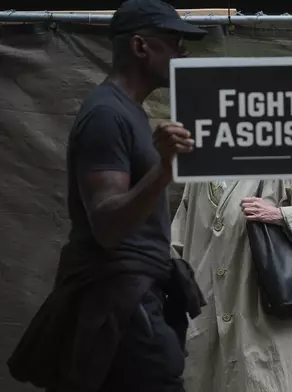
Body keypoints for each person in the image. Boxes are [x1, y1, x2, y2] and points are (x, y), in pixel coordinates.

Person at [7, 1, 209, 391]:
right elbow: (107, 225)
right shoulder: (105, 114)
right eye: (174, 41)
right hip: (120, 302)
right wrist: (164, 170)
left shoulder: (129, 112)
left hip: (132, 298)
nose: (183, 51)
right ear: (140, 46)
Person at [171, 178, 292, 392]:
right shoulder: (200, 175)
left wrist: (281, 215)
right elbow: (178, 239)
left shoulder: (286, 157)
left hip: (268, 313)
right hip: (208, 315)